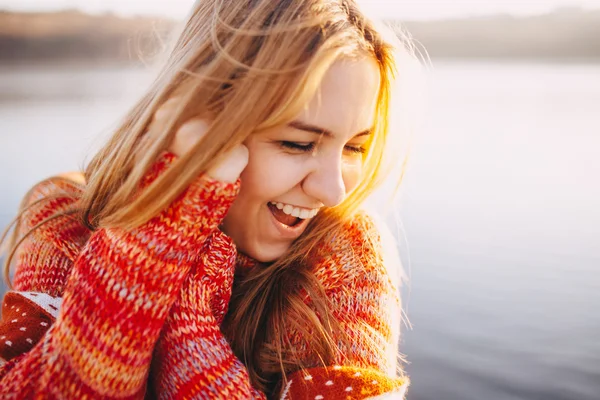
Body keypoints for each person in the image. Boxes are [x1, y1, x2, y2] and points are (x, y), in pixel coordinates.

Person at [0, 0, 416, 398]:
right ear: (205, 121)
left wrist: (189, 326)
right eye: (297, 143)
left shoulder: (344, 251)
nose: (333, 192)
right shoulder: (65, 216)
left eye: (354, 148)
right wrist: (156, 240)